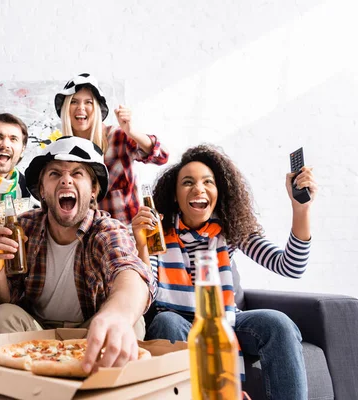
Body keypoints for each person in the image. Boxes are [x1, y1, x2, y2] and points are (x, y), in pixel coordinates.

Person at [132, 144, 317, 400]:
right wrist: (141, 246)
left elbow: (291, 265)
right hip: (178, 319)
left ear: (218, 192)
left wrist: (301, 208)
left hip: (224, 318)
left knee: (278, 323)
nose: (199, 189)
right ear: (175, 196)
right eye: (188, 182)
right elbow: (146, 293)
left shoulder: (229, 231)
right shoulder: (157, 234)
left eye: (208, 182)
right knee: (166, 322)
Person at [0, 136, 155, 374]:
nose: (66, 179)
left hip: (89, 330)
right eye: (54, 174)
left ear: (94, 190)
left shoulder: (106, 230)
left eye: (77, 173)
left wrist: (117, 317)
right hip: (36, 331)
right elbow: (5, 300)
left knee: (131, 323)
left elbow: (130, 272)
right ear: (42, 190)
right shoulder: (23, 228)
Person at [54, 73, 169, 225]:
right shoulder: (61, 151)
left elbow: (162, 156)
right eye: (74, 102)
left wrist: (131, 132)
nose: (81, 108)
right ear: (66, 109)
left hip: (129, 237)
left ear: (96, 109)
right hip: (87, 237)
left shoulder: (117, 137)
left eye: (88, 102)